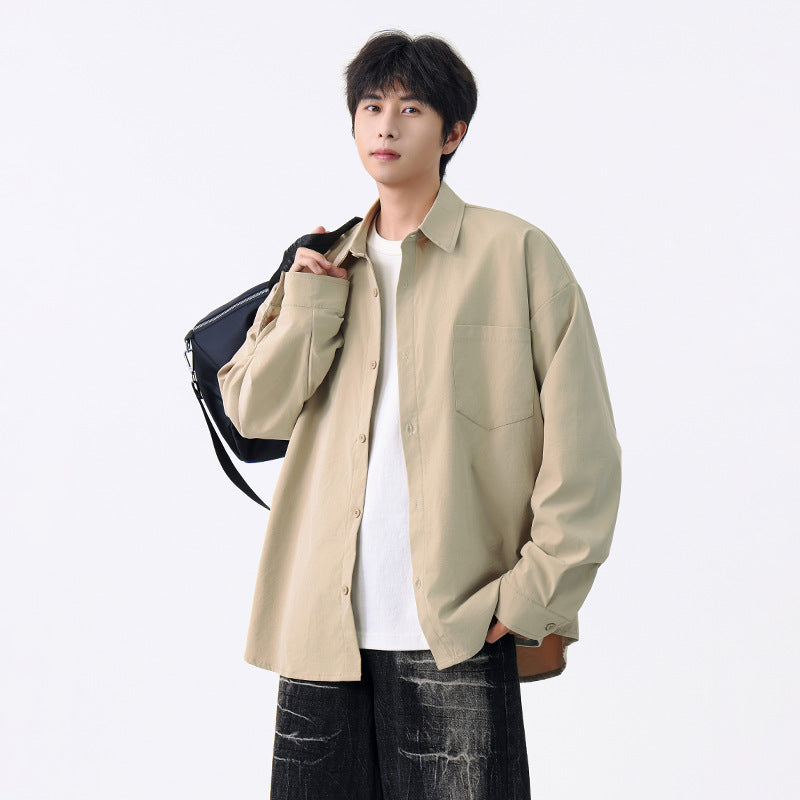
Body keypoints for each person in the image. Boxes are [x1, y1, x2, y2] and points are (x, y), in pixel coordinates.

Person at [217, 28, 622, 800]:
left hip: (458, 628)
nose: (387, 125)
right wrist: (308, 303)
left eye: (410, 108)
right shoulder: (324, 262)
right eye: (371, 107)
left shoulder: (517, 254)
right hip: (321, 635)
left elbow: (585, 451)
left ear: (453, 132)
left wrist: (534, 592)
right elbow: (253, 412)